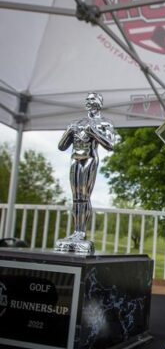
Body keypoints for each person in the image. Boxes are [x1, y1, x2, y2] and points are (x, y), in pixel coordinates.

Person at [55, 92, 115, 253]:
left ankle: (81, 232)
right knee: (76, 197)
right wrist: (69, 131)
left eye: (92, 99)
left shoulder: (105, 122)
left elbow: (110, 145)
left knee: (84, 196)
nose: (88, 102)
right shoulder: (77, 122)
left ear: (99, 103)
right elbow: (61, 146)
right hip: (74, 159)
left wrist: (93, 132)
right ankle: (76, 231)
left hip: (89, 159)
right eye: (87, 99)